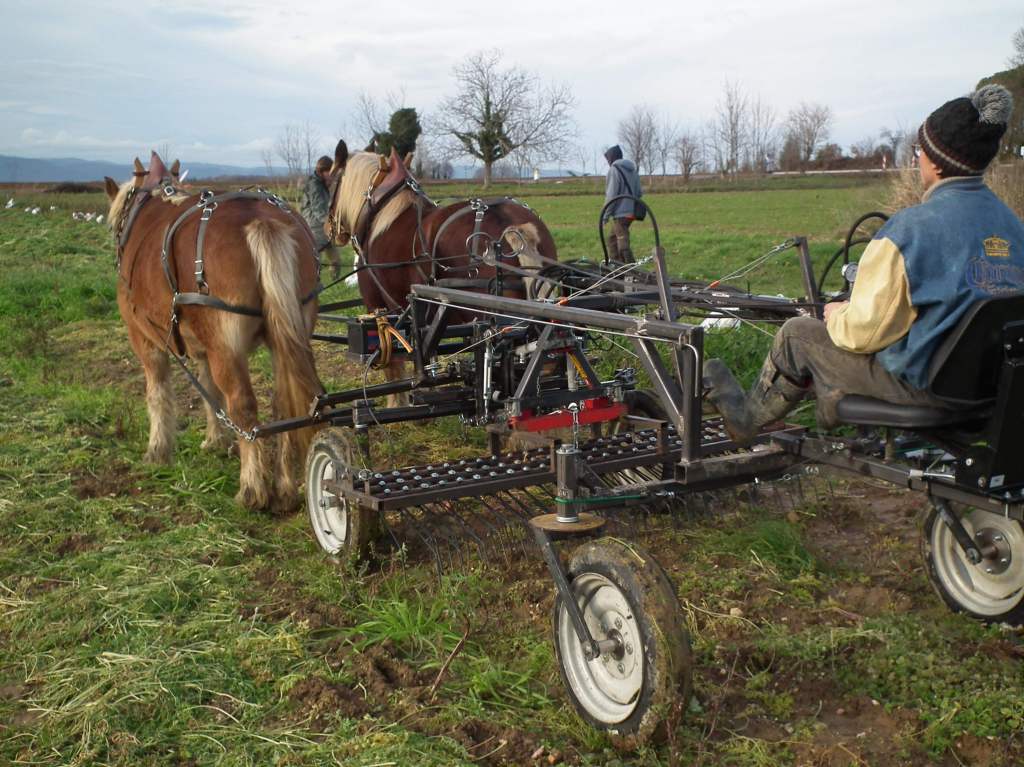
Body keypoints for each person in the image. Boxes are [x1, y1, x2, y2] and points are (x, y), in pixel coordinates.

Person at [704, 84, 1024, 444]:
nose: (918, 158)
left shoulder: (909, 232)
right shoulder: (1014, 227)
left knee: (796, 334)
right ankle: (826, 403)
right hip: (993, 390)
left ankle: (746, 420)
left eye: (919, 150)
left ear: (935, 161)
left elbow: (863, 334)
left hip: (925, 390)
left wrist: (836, 314)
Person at [301, 155, 342, 280]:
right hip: (314, 225)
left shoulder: (321, 183)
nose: (332, 175)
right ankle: (313, 282)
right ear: (322, 171)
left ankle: (335, 281)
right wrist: (331, 223)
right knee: (314, 260)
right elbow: (318, 209)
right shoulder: (315, 185)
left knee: (336, 260)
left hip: (323, 225)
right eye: (329, 172)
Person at [602, 145, 643, 263]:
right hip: (632, 212)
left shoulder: (614, 169)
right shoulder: (632, 169)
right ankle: (617, 266)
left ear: (611, 158)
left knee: (622, 243)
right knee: (612, 240)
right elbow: (639, 193)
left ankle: (630, 268)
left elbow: (611, 196)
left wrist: (605, 216)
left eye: (608, 159)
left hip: (620, 214)